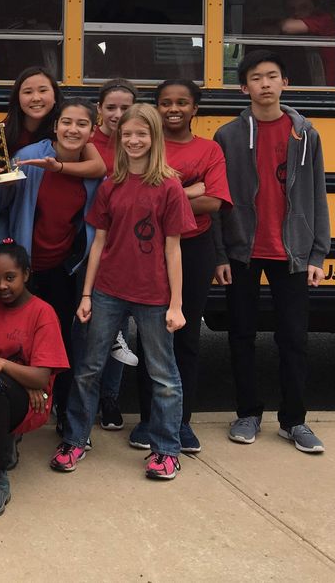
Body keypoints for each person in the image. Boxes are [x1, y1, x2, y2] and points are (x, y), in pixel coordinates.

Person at [51, 103, 195, 481]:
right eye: (127, 134)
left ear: (155, 137)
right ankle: (75, 439)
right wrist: (86, 295)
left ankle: (166, 449)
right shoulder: (110, 185)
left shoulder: (169, 187)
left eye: (141, 134)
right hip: (107, 291)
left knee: (163, 375)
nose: (133, 140)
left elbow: (173, 249)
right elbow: (98, 243)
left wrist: (177, 304)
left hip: (154, 295)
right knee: (88, 369)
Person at [213, 50, 330, 453]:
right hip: (242, 250)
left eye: (272, 76)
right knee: (241, 334)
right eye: (256, 78)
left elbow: (317, 194)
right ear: (243, 88)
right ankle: (247, 413)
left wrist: (318, 254)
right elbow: (217, 199)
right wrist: (220, 254)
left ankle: (294, 420)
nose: (265, 84)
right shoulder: (228, 136)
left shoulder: (305, 134)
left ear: (285, 83)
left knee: (294, 338)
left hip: (292, 250)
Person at [0, 98, 103, 441]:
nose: (73, 129)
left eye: (82, 124)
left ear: (93, 131)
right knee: (13, 340)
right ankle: (11, 414)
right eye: (67, 122)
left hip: (63, 266)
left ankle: (64, 412)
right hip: (26, 267)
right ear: (55, 126)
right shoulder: (31, 158)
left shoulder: (93, 171)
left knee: (61, 342)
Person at [130, 80, 230, 454]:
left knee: (185, 335)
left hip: (194, 247)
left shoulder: (210, 149)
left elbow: (215, 201)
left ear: (195, 108)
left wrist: (165, 195)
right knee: (150, 334)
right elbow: (135, 196)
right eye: (166, 102)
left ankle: (181, 421)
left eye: (182, 102)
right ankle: (147, 419)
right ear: (157, 108)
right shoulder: (146, 144)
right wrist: (191, 190)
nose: (174, 109)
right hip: (149, 248)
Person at [0, 241, 68, 518]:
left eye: (10, 277)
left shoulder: (42, 313)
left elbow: (41, 377)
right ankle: (0, 441)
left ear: (26, 274)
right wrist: (20, 377)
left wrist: (2, 365)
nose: (2, 286)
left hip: (27, 402)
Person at [89, 78, 142, 431]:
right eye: (111, 107)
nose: (118, 114)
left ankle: (110, 397)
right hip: (88, 242)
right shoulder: (87, 142)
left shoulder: (137, 144)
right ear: (99, 109)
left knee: (118, 328)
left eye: (126, 108)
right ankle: (78, 397)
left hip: (124, 245)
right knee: (87, 329)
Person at [0, 66, 106, 178]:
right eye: (28, 92)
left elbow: (99, 167)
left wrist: (58, 167)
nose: (36, 98)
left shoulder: (66, 128)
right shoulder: (3, 131)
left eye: (43, 90)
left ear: (55, 96)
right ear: (18, 98)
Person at [278, 0, 335, 86]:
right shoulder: (303, 29)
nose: (296, 12)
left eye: (304, 7)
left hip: (329, 85)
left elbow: (287, 27)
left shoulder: (323, 19)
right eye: (291, 9)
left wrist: (276, 23)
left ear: (314, 7)